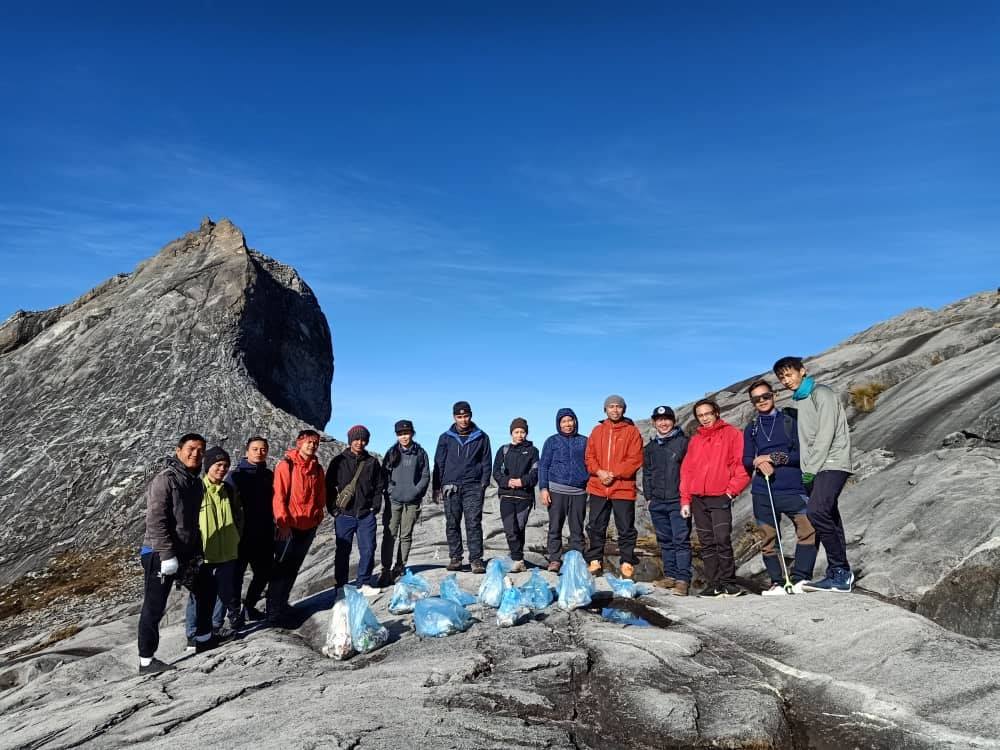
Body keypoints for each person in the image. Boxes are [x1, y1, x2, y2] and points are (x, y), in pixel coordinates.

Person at [773, 356, 855, 592]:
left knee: (816, 511)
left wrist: (808, 469)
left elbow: (825, 434)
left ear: (802, 371)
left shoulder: (822, 394)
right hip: (817, 466)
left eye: (789, 374)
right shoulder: (801, 400)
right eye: (781, 377)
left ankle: (840, 571)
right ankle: (839, 573)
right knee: (830, 516)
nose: (786, 380)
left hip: (832, 462)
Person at [136, 433, 205, 674]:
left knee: (206, 587)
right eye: (190, 448)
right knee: (154, 606)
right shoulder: (165, 480)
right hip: (158, 553)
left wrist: (197, 551)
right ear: (178, 450)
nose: (195, 453)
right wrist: (166, 555)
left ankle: (203, 639)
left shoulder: (196, 483)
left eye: (200, 450)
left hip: (185, 553)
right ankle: (146, 660)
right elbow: (156, 520)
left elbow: (191, 523)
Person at [743, 380, 817, 595]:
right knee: (768, 539)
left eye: (765, 396)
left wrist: (774, 458)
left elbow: (803, 454)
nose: (762, 401)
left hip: (794, 488)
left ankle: (801, 578)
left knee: (807, 531)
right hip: (763, 491)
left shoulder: (790, 420)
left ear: (773, 395)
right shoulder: (752, 428)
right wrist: (758, 461)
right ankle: (777, 582)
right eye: (756, 399)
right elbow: (746, 459)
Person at [679, 399, 751, 598]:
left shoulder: (732, 434)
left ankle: (729, 582)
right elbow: (687, 471)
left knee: (722, 539)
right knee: (707, 542)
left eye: (707, 414)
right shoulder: (696, 440)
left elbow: (741, 465)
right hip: (697, 498)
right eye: (700, 415)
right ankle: (714, 584)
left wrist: (731, 491)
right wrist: (685, 499)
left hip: (720, 496)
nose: (704, 418)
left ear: (716, 412)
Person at [268, 429, 326, 627]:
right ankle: (273, 611)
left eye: (315, 443)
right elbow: (279, 496)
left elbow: (320, 495)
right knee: (281, 569)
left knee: (293, 568)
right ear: (299, 443)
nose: (312, 445)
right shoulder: (286, 465)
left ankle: (282, 604)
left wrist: (318, 515)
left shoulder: (317, 468)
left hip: (308, 526)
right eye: (309, 442)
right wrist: (282, 523)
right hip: (289, 527)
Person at [188, 447, 243, 648]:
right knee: (198, 595)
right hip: (204, 551)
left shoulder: (228, 490)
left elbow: (238, 516)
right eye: (218, 465)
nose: (222, 469)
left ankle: (215, 627)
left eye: (225, 466)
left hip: (228, 549)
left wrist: (237, 536)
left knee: (224, 591)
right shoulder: (196, 489)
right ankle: (193, 633)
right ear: (208, 466)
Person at [584, 395, 644, 578]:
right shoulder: (597, 431)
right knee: (595, 526)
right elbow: (589, 457)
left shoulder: (632, 432)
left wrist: (613, 473)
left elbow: (635, 459)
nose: (615, 410)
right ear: (605, 410)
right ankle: (595, 560)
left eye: (618, 407)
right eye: (611, 406)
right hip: (598, 486)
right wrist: (600, 472)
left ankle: (626, 561)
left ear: (624, 409)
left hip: (623, 488)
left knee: (625, 527)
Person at [433, 401, 492, 574]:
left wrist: (483, 483)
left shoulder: (481, 437)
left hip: (473, 486)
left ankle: (476, 559)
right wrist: (437, 487)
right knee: (452, 522)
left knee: (473, 523)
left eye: (466, 416)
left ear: (471, 415)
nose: (463, 420)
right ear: (454, 417)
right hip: (451, 487)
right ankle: (456, 557)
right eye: (459, 417)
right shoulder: (445, 437)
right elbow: (439, 463)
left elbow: (486, 462)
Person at [327, 425, 385, 596]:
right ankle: (340, 588)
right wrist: (333, 510)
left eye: (363, 439)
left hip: (366, 514)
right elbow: (328, 486)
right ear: (350, 440)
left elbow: (379, 485)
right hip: (344, 515)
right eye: (356, 439)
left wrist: (375, 506)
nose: (360, 442)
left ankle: (364, 583)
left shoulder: (372, 462)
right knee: (342, 552)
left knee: (368, 549)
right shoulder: (338, 461)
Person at [642, 405, 691, 596]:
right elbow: (647, 473)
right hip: (657, 502)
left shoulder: (684, 443)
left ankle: (683, 580)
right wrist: (648, 497)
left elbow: (690, 471)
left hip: (678, 500)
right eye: (659, 420)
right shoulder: (651, 447)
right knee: (665, 540)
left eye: (667, 419)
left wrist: (686, 498)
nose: (663, 423)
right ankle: (670, 576)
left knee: (681, 540)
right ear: (654, 423)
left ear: (674, 421)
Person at [228, 436, 275, 621]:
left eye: (263, 449)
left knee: (264, 573)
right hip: (241, 536)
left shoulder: (269, 475)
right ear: (247, 451)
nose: (259, 452)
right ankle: (234, 615)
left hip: (264, 533)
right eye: (255, 449)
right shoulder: (236, 475)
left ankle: (249, 606)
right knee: (236, 576)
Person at [379, 419, 430, 586]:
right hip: (393, 501)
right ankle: (385, 569)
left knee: (406, 535)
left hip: (412, 502)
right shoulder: (391, 452)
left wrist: (416, 491)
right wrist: (390, 490)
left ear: (412, 433)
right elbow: (384, 475)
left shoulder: (420, 453)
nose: (404, 437)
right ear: (397, 435)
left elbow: (425, 475)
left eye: (406, 433)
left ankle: (399, 567)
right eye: (400, 434)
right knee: (389, 535)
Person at [538, 408, 589, 573]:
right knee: (555, 527)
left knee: (577, 529)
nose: (567, 424)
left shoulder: (584, 441)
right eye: (563, 421)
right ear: (558, 424)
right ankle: (554, 559)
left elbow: (590, 463)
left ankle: (577, 559)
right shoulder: (551, 441)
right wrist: (543, 488)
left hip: (579, 492)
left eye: (570, 420)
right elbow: (543, 465)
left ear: (575, 421)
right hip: (556, 489)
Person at [492, 417, 540, 573]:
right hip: (506, 495)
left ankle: (517, 558)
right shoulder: (503, 450)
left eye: (522, 432)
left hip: (524, 496)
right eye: (516, 432)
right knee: (510, 529)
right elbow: (496, 472)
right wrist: (508, 482)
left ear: (526, 433)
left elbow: (535, 473)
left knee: (519, 528)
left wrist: (522, 481)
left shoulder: (533, 451)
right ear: (511, 433)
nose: (520, 435)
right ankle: (518, 559)